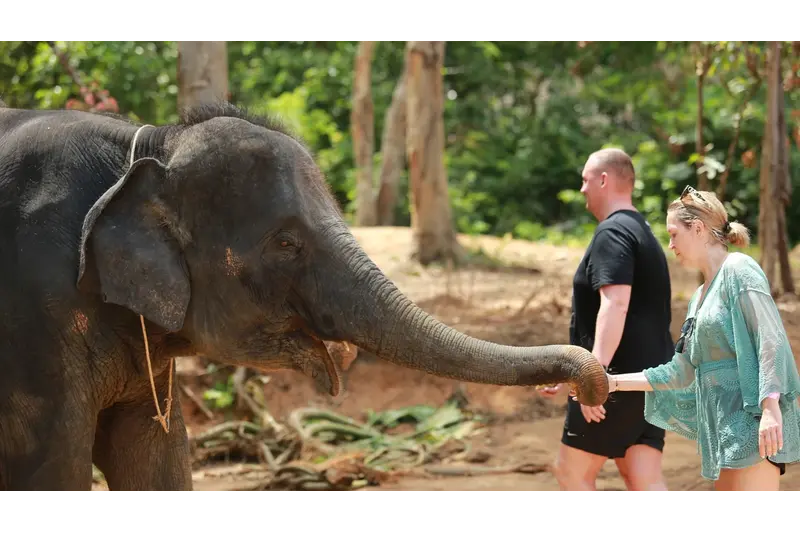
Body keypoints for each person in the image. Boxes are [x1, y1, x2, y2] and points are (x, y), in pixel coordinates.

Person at [595, 185, 800, 493]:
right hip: (723, 433)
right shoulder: (698, 298)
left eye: (674, 234)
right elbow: (680, 371)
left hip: (755, 424)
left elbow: (769, 339)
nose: (670, 244)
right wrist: (611, 382)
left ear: (699, 229)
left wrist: (770, 409)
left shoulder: (739, 270)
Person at [540, 147, 673, 493]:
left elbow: (615, 304)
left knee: (572, 474)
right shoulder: (643, 232)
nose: (582, 189)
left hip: (613, 384)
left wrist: (591, 379)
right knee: (643, 478)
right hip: (649, 384)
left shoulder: (612, 234)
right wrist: (568, 370)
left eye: (585, 180)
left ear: (603, 180)